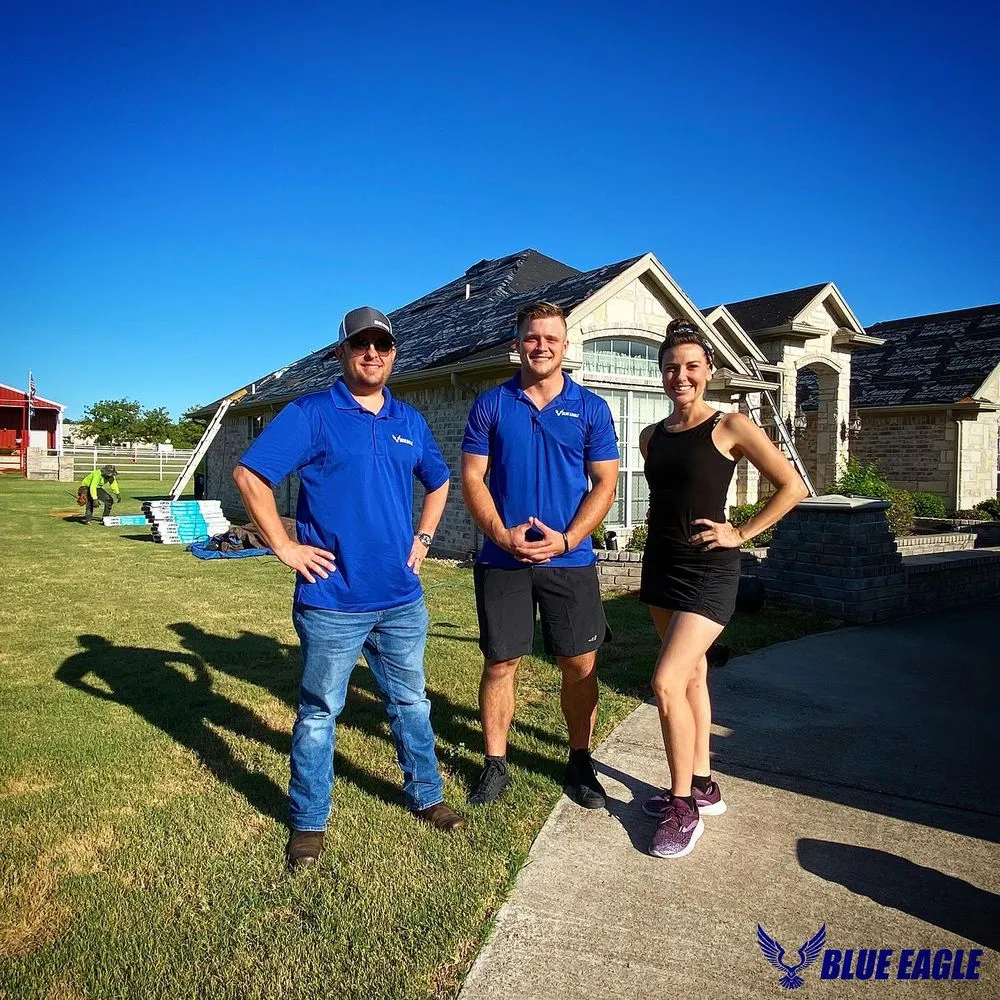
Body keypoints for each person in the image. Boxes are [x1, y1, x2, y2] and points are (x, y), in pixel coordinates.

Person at [233, 305, 468, 871]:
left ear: (393, 354)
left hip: (400, 599)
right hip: (333, 601)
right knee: (319, 712)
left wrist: (425, 538)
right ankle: (309, 821)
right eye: (361, 345)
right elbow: (249, 475)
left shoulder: (407, 421)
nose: (372, 354)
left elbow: (439, 483)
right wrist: (285, 547)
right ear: (341, 352)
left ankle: (427, 796)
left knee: (411, 701)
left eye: (382, 346)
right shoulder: (312, 413)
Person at [638, 319, 809, 859]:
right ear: (661, 374)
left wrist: (742, 531)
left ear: (709, 370)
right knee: (691, 678)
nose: (681, 376)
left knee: (665, 683)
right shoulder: (652, 436)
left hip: (711, 571)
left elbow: (794, 486)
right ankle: (705, 784)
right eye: (671, 367)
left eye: (691, 366)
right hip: (663, 567)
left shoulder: (731, 425)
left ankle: (682, 804)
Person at [461, 301, 620, 809]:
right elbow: (472, 478)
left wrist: (569, 539)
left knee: (579, 664)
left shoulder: (591, 408)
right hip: (502, 560)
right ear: (518, 342)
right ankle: (495, 763)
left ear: (565, 345)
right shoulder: (491, 404)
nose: (541, 346)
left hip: (569, 562)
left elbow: (605, 483)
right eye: (532, 337)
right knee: (501, 661)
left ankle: (579, 761)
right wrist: (500, 534)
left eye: (551, 338)